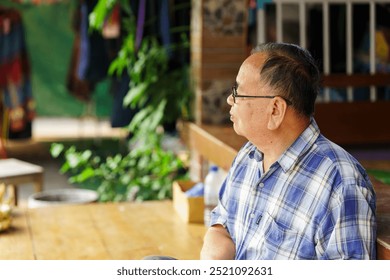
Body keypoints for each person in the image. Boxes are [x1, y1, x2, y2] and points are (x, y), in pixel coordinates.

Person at [200, 42, 377, 260]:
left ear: (275, 110)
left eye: (239, 91)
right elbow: (222, 226)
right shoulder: (248, 155)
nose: (230, 99)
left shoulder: (340, 183)